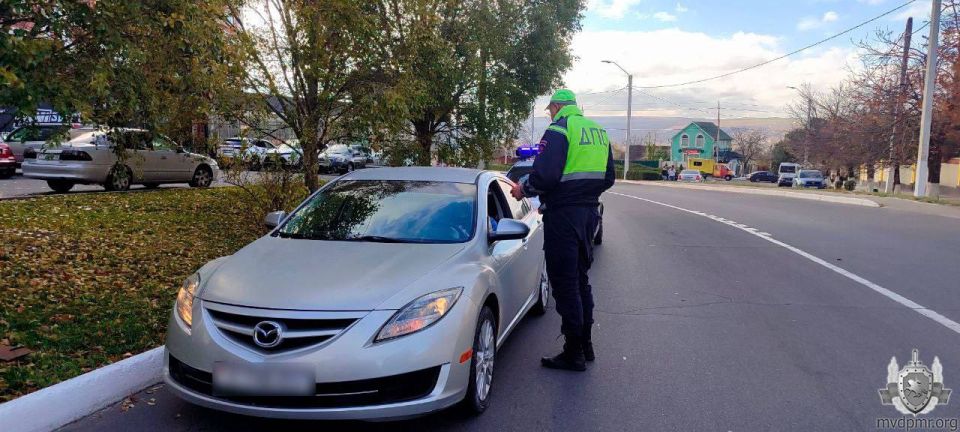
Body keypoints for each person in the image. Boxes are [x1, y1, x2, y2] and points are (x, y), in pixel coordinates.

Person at [511, 89, 615, 372]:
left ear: (556, 107)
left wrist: (523, 190)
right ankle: (586, 345)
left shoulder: (559, 129)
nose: (550, 115)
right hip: (589, 214)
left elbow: (545, 177)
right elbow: (608, 178)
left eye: (550, 110)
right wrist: (583, 195)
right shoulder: (598, 132)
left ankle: (573, 353)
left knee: (565, 283)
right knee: (580, 280)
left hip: (564, 218)